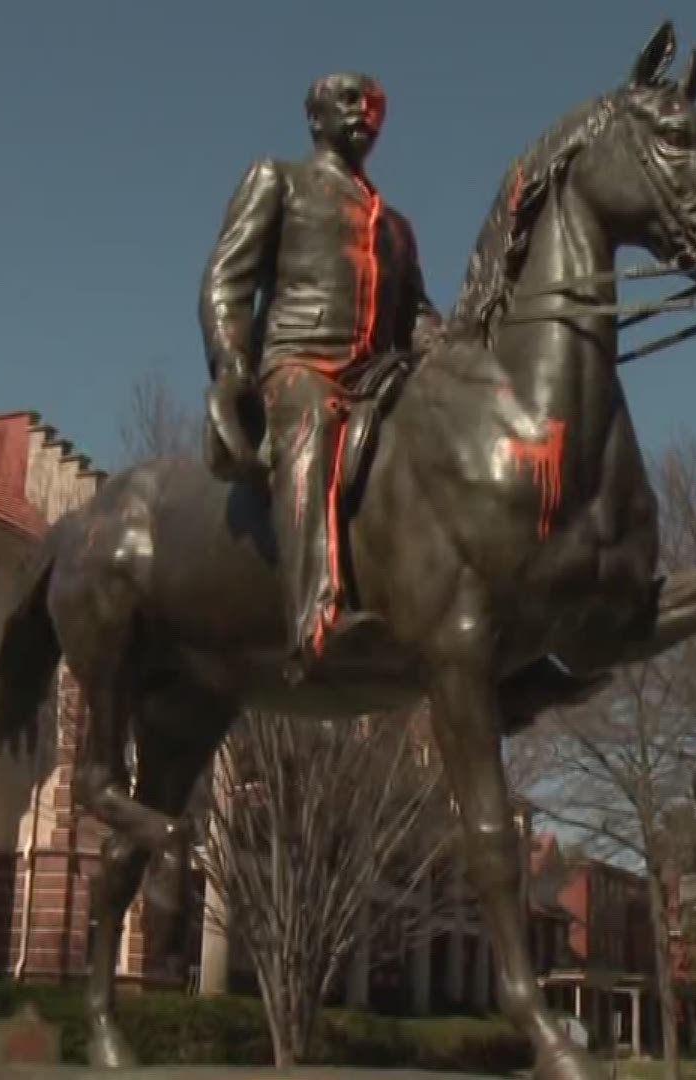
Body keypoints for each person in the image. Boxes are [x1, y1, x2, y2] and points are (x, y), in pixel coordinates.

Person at [198, 71, 443, 683]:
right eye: (349, 101)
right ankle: (317, 623)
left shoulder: (395, 227)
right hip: (301, 367)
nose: (365, 112)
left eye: (374, 104)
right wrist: (231, 365)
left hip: (382, 377)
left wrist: (461, 355)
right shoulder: (277, 180)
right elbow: (228, 280)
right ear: (315, 120)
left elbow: (416, 314)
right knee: (314, 420)